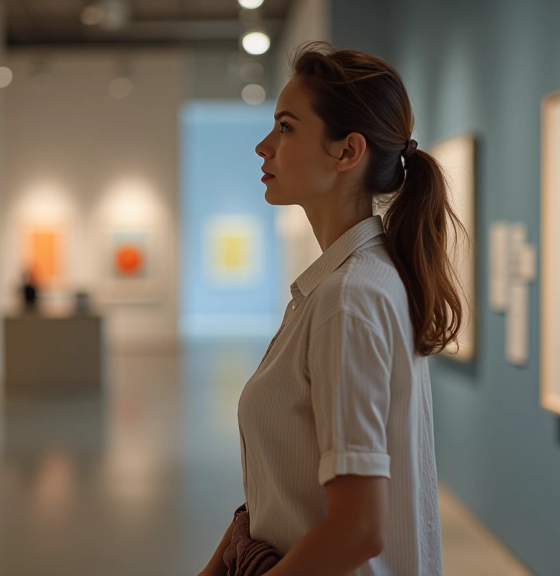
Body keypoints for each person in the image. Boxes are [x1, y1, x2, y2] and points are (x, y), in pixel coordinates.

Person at [199, 42, 463, 576]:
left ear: (347, 152)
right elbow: (289, 489)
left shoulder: (349, 298)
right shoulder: (346, 284)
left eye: (286, 127)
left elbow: (357, 531)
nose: (263, 146)